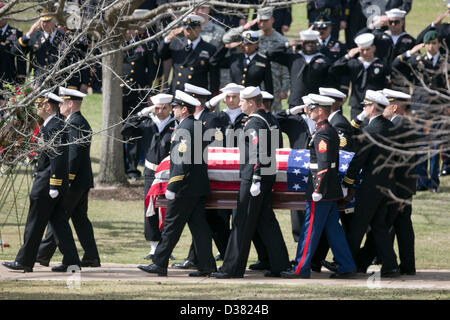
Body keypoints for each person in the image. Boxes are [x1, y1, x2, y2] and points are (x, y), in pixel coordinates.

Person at [212, 86, 291, 279]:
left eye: (242, 101)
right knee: (266, 222)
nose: (239, 104)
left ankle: (231, 268)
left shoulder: (255, 123)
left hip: (255, 178)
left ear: (251, 103)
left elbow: (259, 152)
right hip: (265, 177)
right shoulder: (265, 120)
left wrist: (255, 178)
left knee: (242, 222)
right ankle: (280, 265)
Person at [137, 90, 216, 277]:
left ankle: (159, 263)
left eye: (175, 107)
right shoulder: (197, 125)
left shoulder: (184, 129)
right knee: (199, 228)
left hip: (184, 187)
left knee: (171, 226)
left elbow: (182, 160)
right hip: (196, 186)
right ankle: (207, 265)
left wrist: (173, 185)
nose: (173, 110)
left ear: (184, 109)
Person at [280, 93, 356, 279]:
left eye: (311, 108)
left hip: (320, 191)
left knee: (310, 230)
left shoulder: (322, 132)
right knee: (333, 230)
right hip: (328, 191)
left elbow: (323, 164)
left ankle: (301, 268)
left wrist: (318, 189)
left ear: (320, 111)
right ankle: (346, 264)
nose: (308, 111)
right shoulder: (324, 129)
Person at [2, 92, 80, 273]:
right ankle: (72, 261)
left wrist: (54, 184)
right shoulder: (52, 125)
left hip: (46, 185)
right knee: (59, 223)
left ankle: (24, 261)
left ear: (47, 106)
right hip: (50, 184)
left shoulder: (54, 126)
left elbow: (57, 159)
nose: (36, 107)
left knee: (34, 223)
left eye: (39, 103)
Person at [36, 87, 100, 269]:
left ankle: (43, 255)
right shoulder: (76, 122)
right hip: (80, 181)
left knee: (58, 217)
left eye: (63, 103)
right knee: (80, 219)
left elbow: (74, 155)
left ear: (70, 104)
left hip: (74, 181)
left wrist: (66, 179)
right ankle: (91, 256)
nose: (60, 106)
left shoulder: (75, 123)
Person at [341, 90, 400, 277]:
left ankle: (346, 264)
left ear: (373, 108)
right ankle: (390, 266)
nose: (364, 108)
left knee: (358, 226)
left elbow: (358, 159)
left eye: (366, 106)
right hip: (387, 185)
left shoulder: (372, 130)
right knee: (379, 226)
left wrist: (347, 181)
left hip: (371, 186)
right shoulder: (390, 127)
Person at [121, 93, 176, 261]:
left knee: (168, 209)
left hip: (169, 172)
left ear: (170, 108)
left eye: (163, 108)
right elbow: (125, 130)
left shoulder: (176, 125)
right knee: (150, 208)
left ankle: (166, 246)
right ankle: (153, 246)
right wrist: (141, 113)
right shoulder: (147, 122)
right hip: (151, 172)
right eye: (157, 108)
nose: (159, 111)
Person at [392, 30, 448, 193]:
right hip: (420, 108)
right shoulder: (418, 60)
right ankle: (421, 180)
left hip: (438, 109)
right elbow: (396, 64)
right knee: (421, 145)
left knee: (435, 147)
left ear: (439, 44)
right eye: (429, 43)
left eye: (435, 43)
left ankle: (433, 182)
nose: (432, 46)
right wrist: (410, 52)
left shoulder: (445, 61)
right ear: (425, 45)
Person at [221, 7, 290, 112]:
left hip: (274, 86)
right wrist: (244, 27)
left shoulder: (281, 40)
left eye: (265, 20)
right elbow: (226, 39)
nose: (262, 24)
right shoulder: (252, 36)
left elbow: (286, 66)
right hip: (249, 86)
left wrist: (285, 88)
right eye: (259, 21)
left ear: (272, 20)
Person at [122, 20, 163, 180]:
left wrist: (151, 93)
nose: (128, 32)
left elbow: (153, 73)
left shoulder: (145, 46)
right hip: (119, 95)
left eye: (130, 29)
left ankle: (132, 169)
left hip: (137, 96)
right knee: (118, 132)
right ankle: (122, 166)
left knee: (133, 132)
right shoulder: (117, 45)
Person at [382, 88, 417, 275]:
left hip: (397, 185)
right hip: (405, 184)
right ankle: (407, 265)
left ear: (394, 107)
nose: (383, 108)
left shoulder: (397, 126)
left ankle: (391, 265)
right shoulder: (405, 124)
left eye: (386, 104)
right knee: (402, 225)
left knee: (386, 225)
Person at [13, 9, 88, 89]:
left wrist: (79, 84)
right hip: (38, 83)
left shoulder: (65, 37)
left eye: (48, 21)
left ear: (55, 20)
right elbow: (15, 51)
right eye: (42, 21)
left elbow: (76, 60)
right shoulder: (35, 37)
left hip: (59, 83)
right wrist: (29, 34)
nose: (45, 24)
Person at [329, 33, 391, 119]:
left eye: (367, 49)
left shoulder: (381, 65)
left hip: (375, 104)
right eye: (362, 50)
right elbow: (333, 70)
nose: (365, 52)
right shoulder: (353, 63)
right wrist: (347, 57)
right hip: (357, 104)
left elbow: (388, 85)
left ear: (373, 48)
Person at [265, 29, 331, 108]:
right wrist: (287, 44)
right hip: (296, 102)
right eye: (307, 42)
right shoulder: (294, 58)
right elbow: (270, 53)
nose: (310, 44)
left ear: (317, 43)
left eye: (312, 42)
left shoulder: (324, 60)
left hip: (315, 103)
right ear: (301, 42)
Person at [158, 14, 220, 94]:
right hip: (177, 92)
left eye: (191, 29)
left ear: (199, 28)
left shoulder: (209, 48)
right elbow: (161, 55)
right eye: (186, 29)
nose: (188, 32)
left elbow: (214, 77)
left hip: (196, 95)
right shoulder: (177, 43)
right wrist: (167, 39)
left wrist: (212, 96)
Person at [0, 5, 26, 104]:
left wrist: (21, 77)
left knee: (10, 109)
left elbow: (20, 58)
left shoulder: (16, 33)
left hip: (10, 77)